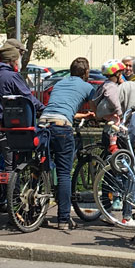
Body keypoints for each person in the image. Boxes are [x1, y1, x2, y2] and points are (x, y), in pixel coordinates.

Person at [0, 38, 45, 207]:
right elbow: (28, 99)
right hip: (7, 128)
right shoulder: (12, 76)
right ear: (14, 60)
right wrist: (44, 109)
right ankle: (13, 205)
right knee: (10, 167)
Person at [38, 57, 97, 230]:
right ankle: (63, 220)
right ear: (86, 72)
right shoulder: (87, 86)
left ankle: (35, 211)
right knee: (64, 173)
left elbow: (60, 108)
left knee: (42, 167)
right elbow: (95, 108)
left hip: (44, 123)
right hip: (62, 129)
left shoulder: (59, 83)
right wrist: (96, 117)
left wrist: (81, 116)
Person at [95, 59, 126, 152]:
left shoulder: (106, 84)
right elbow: (113, 100)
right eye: (120, 73)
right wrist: (120, 113)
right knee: (115, 127)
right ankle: (113, 150)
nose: (122, 75)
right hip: (109, 114)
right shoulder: (111, 86)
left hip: (105, 115)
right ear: (117, 74)